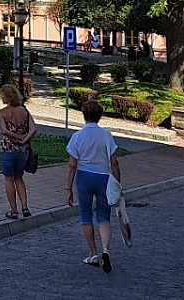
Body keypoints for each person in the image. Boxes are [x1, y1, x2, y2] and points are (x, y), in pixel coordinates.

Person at [65, 99, 121, 273]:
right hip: (103, 177)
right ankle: (106, 249)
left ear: (84, 116)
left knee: (85, 215)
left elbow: (72, 164)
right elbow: (114, 162)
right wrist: (117, 183)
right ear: (99, 116)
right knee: (104, 216)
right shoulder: (106, 135)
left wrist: (68, 188)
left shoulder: (77, 136)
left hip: (83, 177)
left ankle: (93, 254)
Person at [0, 83, 36, 219]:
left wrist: (16, 136)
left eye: (2, 94)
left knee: (9, 178)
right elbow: (33, 128)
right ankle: (25, 207)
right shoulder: (24, 111)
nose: (0, 97)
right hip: (22, 150)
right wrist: (24, 139)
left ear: (8, 96)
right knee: (19, 177)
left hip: (7, 148)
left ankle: (13, 211)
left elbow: (4, 130)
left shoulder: (3, 112)